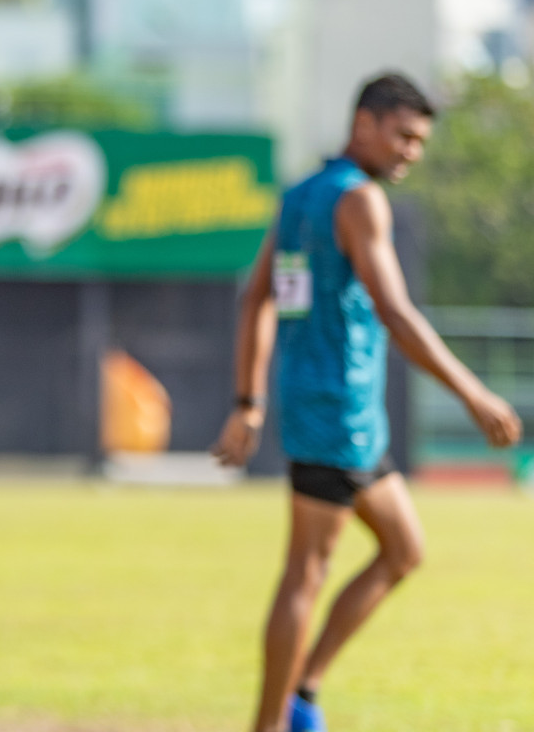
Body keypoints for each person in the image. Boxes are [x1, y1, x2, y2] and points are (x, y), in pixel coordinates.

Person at [213, 73, 524, 732]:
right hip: (337, 411)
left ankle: (304, 689)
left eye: (420, 141)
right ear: (365, 124)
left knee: (404, 548)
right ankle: (273, 724)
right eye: (404, 136)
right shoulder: (360, 202)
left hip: (330, 411)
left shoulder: (301, 195)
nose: (413, 151)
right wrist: (474, 394)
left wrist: (249, 399)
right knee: (307, 570)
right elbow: (395, 312)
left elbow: (256, 298)